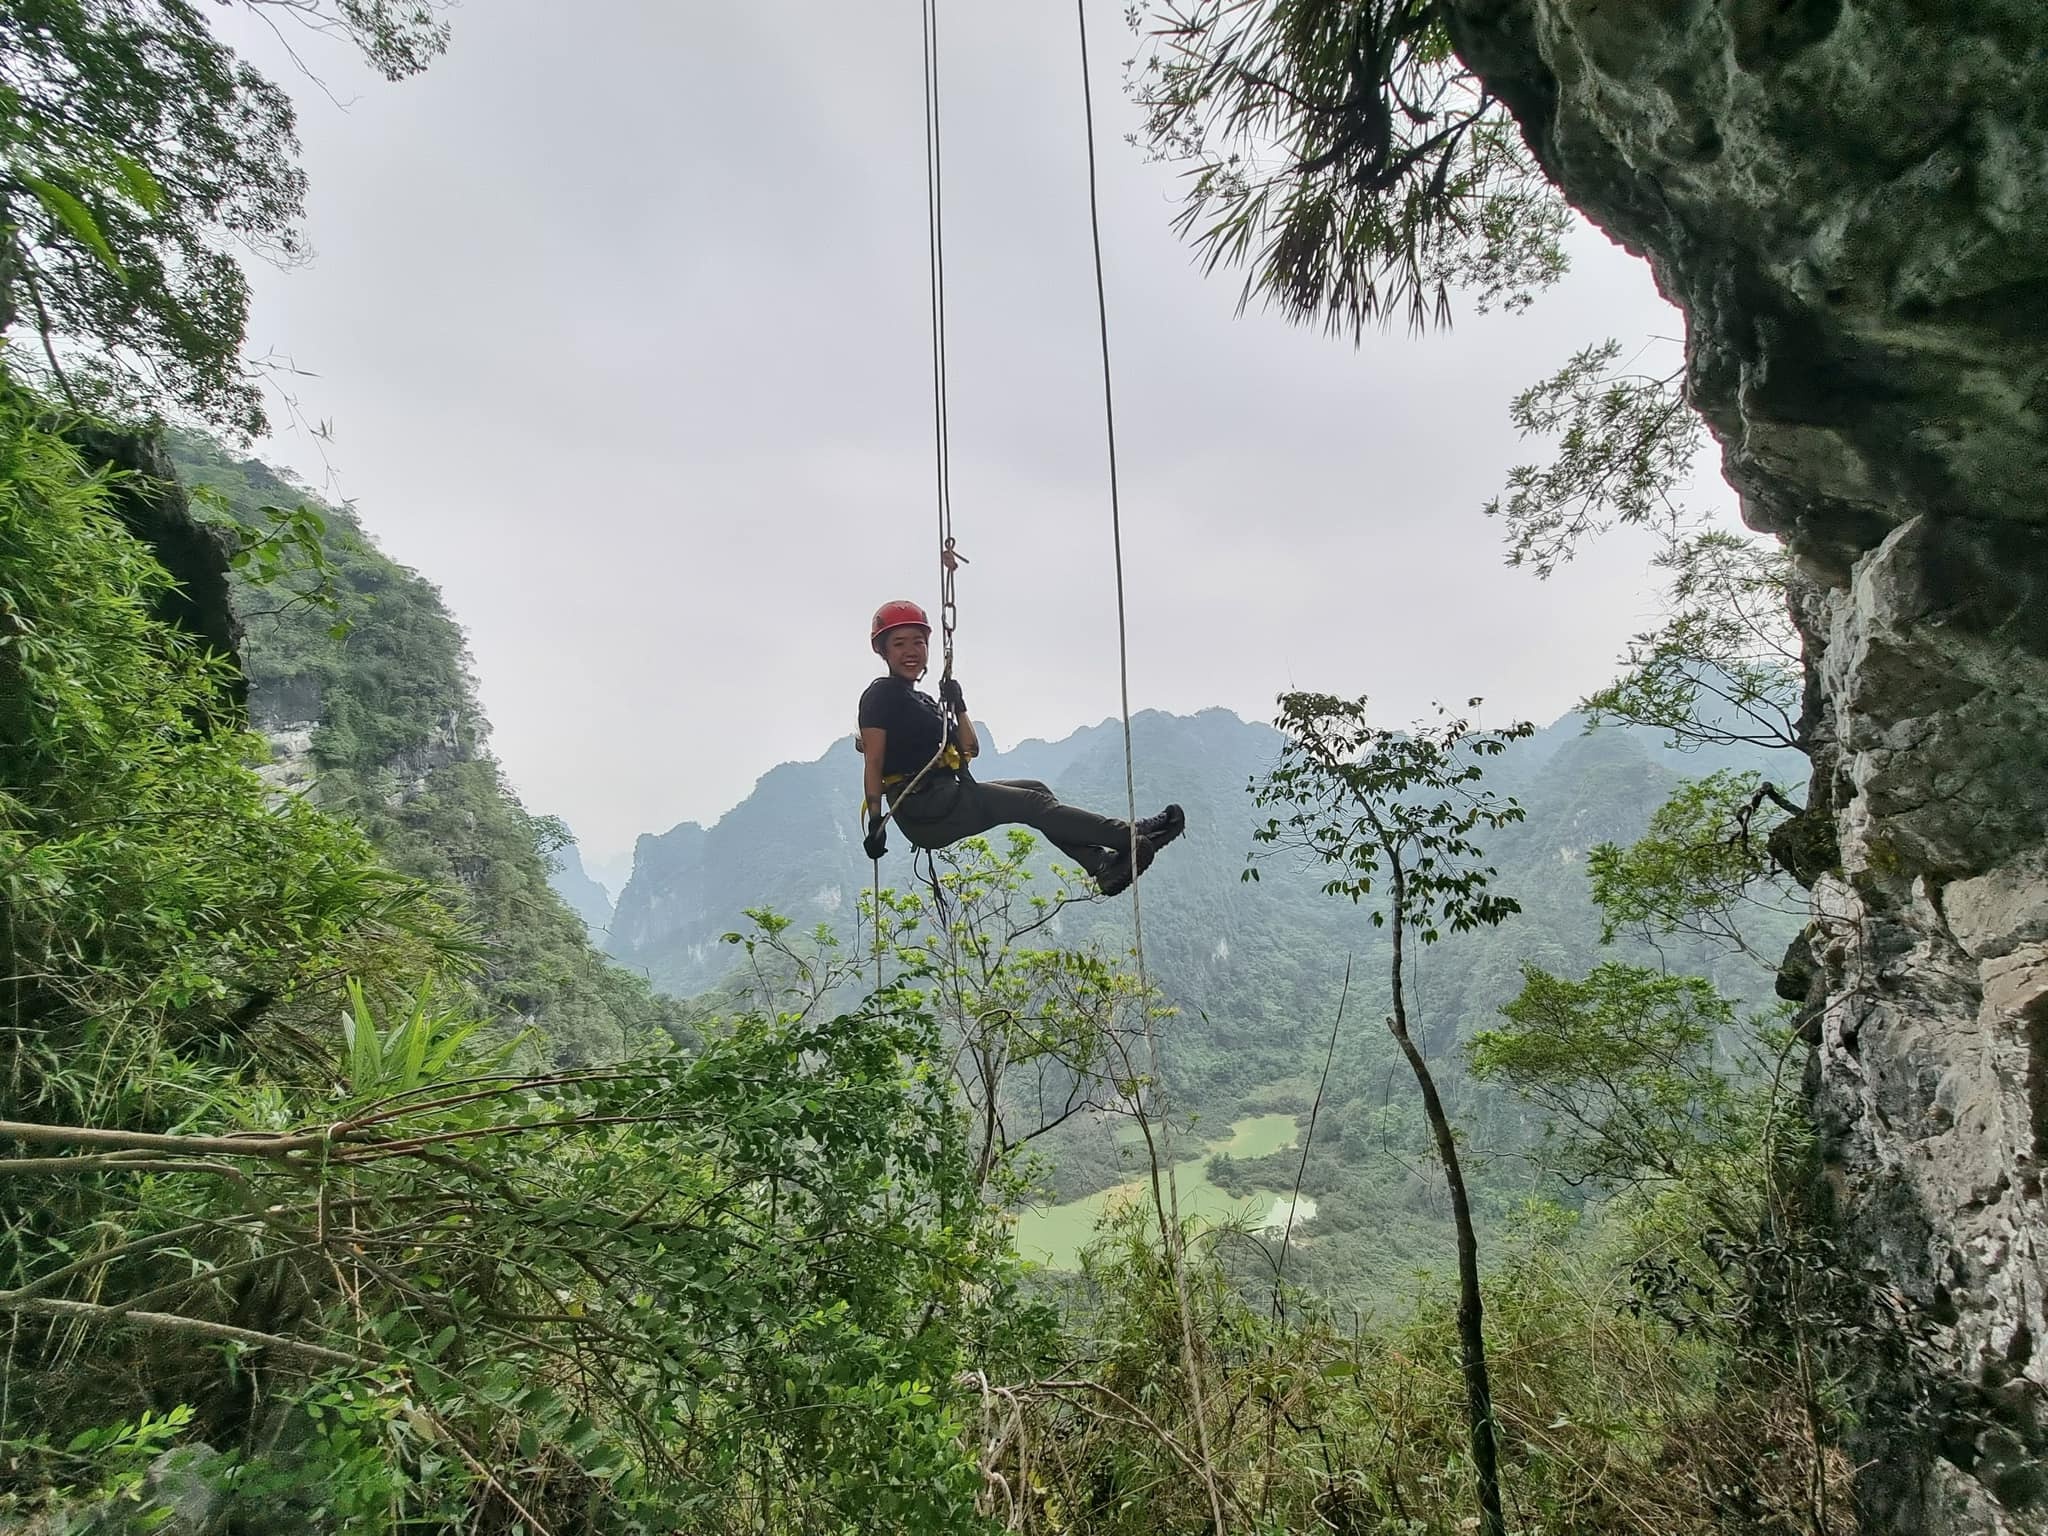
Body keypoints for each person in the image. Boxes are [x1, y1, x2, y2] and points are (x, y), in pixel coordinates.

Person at [858, 599, 1184, 896]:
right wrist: (875, 822)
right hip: (923, 808)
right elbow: (873, 761)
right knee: (1031, 803)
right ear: (883, 651)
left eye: (918, 642)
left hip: (946, 796)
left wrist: (958, 703)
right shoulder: (879, 695)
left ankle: (1101, 865)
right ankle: (1128, 835)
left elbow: (970, 747)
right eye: (899, 643)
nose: (911, 650)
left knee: (1036, 789)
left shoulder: (925, 701)